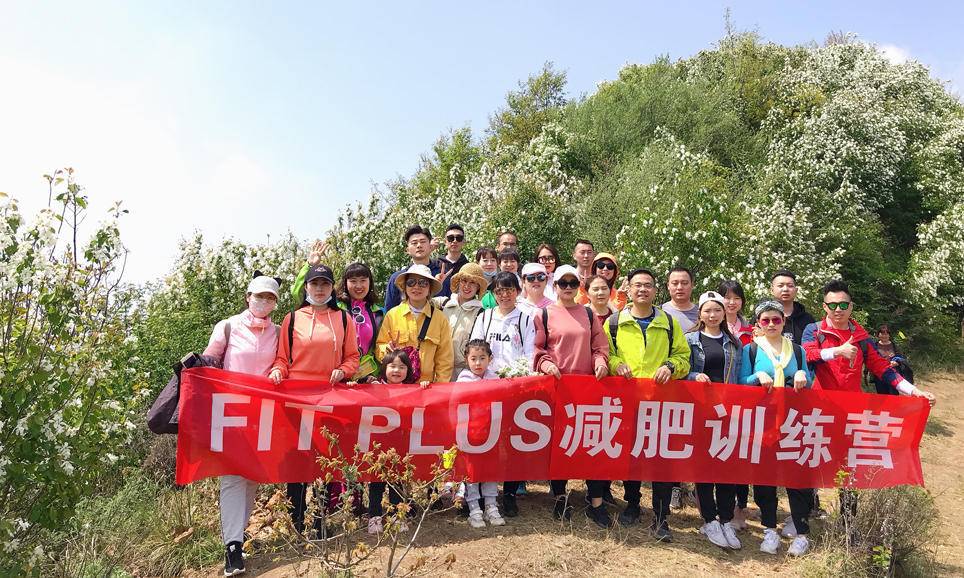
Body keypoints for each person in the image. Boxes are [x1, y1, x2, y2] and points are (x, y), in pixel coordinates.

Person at [268, 264, 360, 538]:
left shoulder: (344, 319)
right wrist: (277, 371)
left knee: (325, 459)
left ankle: (319, 521)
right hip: (296, 399)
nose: (319, 289)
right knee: (297, 460)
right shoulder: (292, 319)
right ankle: (297, 522)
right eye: (314, 284)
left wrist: (343, 371)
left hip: (330, 399)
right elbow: (282, 358)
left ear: (333, 288)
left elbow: (353, 357)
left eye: (325, 284)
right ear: (306, 287)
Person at [203, 273, 281, 577]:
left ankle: (240, 534)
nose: (263, 302)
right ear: (248, 296)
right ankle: (232, 548)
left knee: (251, 476)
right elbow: (209, 364)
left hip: (264, 414)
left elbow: (283, 361)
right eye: (258, 296)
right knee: (233, 477)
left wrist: (277, 368)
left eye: (269, 298)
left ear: (275, 303)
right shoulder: (228, 326)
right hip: (231, 411)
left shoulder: (277, 331)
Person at [607, 268, 690, 542]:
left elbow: (683, 356)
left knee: (660, 461)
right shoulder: (615, 322)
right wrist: (617, 364)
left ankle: (661, 516)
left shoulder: (668, 322)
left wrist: (670, 366)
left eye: (648, 286)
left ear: (656, 291)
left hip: (661, 403)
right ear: (628, 290)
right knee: (631, 456)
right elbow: (607, 354)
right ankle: (632, 503)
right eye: (637, 285)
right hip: (628, 402)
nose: (642, 290)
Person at [533, 265, 610, 526]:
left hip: (588, 389)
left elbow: (600, 347)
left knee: (592, 443)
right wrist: (545, 364)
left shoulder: (588, 314)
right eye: (563, 283)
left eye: (572, 283)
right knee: (561, 444)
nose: (567, 287)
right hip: (558, 388)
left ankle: (596, 502)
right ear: (555, 286)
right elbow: (538, 349)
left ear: (579, 287)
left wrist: (600, 362)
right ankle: (559, 498)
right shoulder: (544, 314)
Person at [738, 300, 812, 557]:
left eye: (776, 320)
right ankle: (769, 528)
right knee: (764, 477)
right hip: (763, 421)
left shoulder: (798, 351)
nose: (771, 324)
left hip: (793, 421)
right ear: (758, 323)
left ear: (783, 322)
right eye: (765, 320)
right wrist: (756, 377)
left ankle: (801, 532)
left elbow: (809, 382)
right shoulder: (750, 350)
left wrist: (803, 375)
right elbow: (741, 383)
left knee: (797, 478)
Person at [802, 280, 935, 403]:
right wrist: (837, 351)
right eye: (832, 305)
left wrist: (914, 391)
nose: (838, 310)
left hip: (851, 405)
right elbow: (807, 355)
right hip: (819, 404)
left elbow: (882, 368)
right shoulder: (815, 330)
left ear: (850, 306)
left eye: (843, 305)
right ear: (825, 307)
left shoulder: (861, 337)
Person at [469, 272, 536, 517]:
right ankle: (476, 494)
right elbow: (475, 349)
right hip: (486, 388)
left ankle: (509, 494)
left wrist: (520, 377)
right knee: (483, 442)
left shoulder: (526, 319)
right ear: (493, 294)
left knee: (511, 443)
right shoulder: (485, 317)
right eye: (499, 291)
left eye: (509, 290)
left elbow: (530, 353)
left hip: (513, 388)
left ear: (517, 291)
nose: (504, 295)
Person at [685, 291, 743, 550]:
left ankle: (727, 519)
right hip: (700, 411)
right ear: (700, 313)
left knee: (727, 466)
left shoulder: (733, 343)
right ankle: (709, 518)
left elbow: (740, 378)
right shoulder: (690, 340)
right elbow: (682, 370)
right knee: (704, 466)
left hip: (727, 412)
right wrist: (694, 375)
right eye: (707, 310)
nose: (712, 315)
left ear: (724, 313)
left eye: (717, 310)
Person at [365, 349, 418, 535]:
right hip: (377, 445)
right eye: (392, 366)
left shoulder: (412, 390)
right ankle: (374, 517)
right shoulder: (375, 387)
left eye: (402, 367)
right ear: (384, 367)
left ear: (408, 370)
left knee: (397, 482)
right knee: (376, 483)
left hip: (400, 446)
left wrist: (426, 386)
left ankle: (397, 515)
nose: (397, 370)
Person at [456, 339, 507, 528]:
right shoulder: (463, 380)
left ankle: (491, 505)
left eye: (482, 358)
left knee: (490, 468)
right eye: (474, 358)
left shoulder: (495, 379)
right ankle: (474, 507)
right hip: (469, 434)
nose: (478, 363)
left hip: (491, 433)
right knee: (472, 470)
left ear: (490, 359)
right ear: (466, 359)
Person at [376, 264, 454, 384]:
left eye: (423, 283)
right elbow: (379, 347)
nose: (416, 287)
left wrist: (439, 389)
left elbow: (445, 359)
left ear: (430, 288)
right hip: (397, 386)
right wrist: (387, 350)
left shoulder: (440, 318)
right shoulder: (392, 315)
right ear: (405, 287)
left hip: (427, 389)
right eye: (411, 282)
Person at [433, 263, 486, 380]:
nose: (467, 286)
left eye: (472, 282)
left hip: (463, 374)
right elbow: (419, 303)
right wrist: (435, 285)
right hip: (437, 369)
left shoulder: (481, 313)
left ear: (478, 287)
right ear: (458, 283)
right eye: (464, 281)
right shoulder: (443, 303)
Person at [336, 262, 385, 382]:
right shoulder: (334, 309)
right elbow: (304, 296)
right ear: (345, 284)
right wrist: (309, 266)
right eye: (353, 281)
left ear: (370, 282)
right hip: (339, 375)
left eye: (363, 280)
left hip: (368, 377)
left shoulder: (378, 312)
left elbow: (380, 345)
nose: (358, 285)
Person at [384, 225, 448, 312]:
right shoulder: (398, 278)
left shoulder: (443, 274)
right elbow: (390, 313)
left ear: (431, 246)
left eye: (422, 241)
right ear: (407, 250)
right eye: (414, 243)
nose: (419, 245)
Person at [770, 270, 815, 345]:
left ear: (796, 290)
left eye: (790, 286)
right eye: (780, 286)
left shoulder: (807, 319)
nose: (785, 289)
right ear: (772, 290)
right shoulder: (763, 319)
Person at [869, 324, 914, 393]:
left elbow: (901, 358)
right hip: (879, 376)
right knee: (882, 396)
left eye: (887, 334)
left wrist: (896, 362)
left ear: (889, 335)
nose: (884, 336)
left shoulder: (894, 346)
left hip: (893, 374)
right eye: (882, 333)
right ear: (878, 334)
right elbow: (870, 359)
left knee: (893, 395)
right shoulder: (874, 346)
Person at [661, 266, 699, 333]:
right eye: (675, 283)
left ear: (692, 285)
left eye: (684, 283)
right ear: (668, 286)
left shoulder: (702, 314)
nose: (680, 287)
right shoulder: (658, 312)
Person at [717, 279, 754, 346]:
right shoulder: (715, 328)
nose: (732, 302)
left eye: (737, 298)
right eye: (727, 298)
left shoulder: (751, 330)